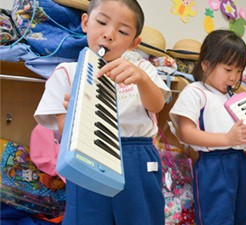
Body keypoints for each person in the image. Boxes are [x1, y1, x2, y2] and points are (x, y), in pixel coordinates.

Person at [34, 0, 170, 224]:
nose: (109, 35)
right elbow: (62, 130)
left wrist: (143, 80)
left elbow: (156, 106)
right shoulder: (66, 73)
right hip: (87, 154)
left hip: (137, 156)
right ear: (86, 22)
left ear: (134, 43)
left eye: (123, 31)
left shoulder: (143, 69)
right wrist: (74, 113)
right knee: (88, 218)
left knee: (142, 217)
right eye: (102, 22)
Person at [169, 29, 246, 225]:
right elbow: (186, 133)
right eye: (228, 70)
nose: (234, 77)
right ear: (206, 64)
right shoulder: (195, 91)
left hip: (240, 163)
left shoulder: (234, 97)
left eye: (239, 71)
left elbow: (243, 136)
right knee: (217, 219)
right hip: (213, 165)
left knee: (244, 217)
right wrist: (227, 139)